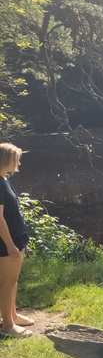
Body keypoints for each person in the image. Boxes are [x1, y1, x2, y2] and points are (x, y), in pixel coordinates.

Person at [0, 143, 32, 338]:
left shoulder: (3, 179)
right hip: (6, 243)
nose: (18, 162)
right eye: (16, 158)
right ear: (6, 160)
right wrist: (10, 245)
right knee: (6, 282)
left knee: (13, 281)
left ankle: (12, 314)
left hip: (16, 239)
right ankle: (8, 326)